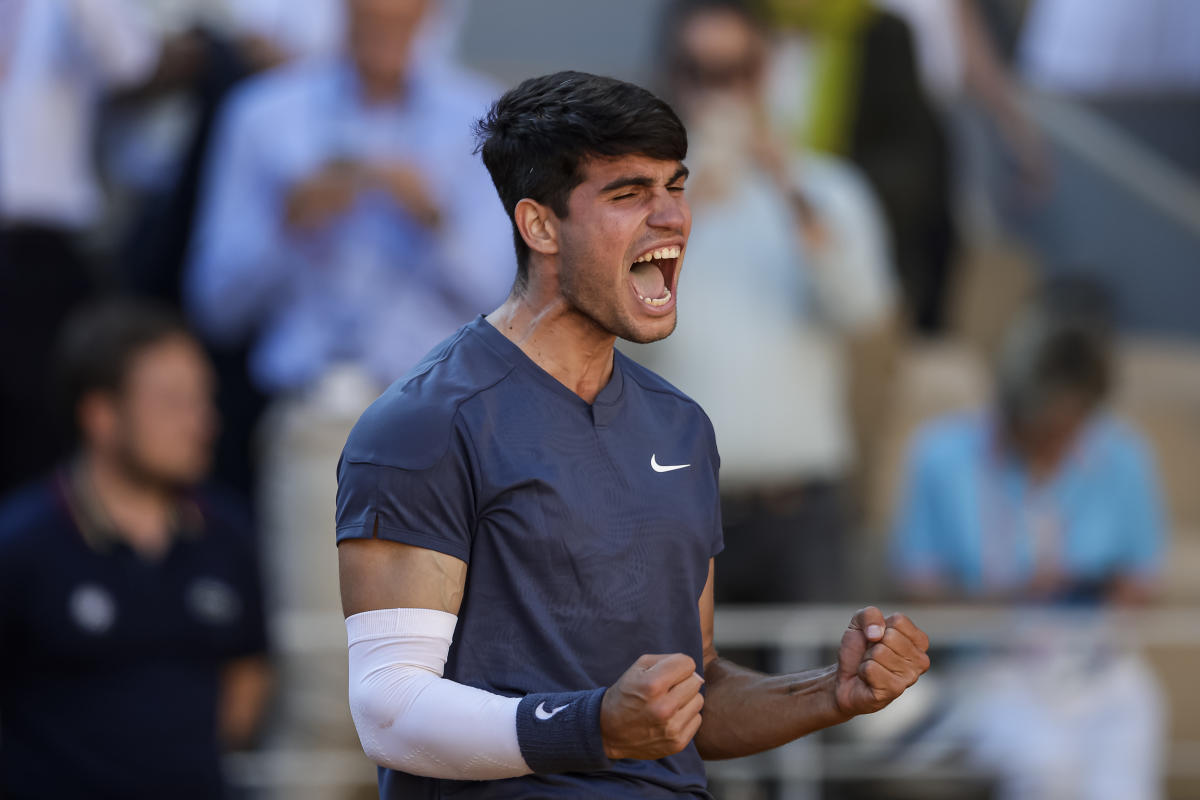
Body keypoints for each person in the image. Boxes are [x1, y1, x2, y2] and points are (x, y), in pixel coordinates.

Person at [334, 70, 930, 798]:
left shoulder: (681, 426)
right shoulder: (422, 424)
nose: (672, 217)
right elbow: (389, 710)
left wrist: (828, 694)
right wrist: (593, 726)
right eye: (628, 194)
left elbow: (691, 695)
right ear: (540, 226)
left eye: (675, 187)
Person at [186, 0, 514, 764]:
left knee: (459, 683)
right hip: (319, 422)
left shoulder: (482, 117)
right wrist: (287, 224)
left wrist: (434, 217)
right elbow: (214, 301)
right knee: (322, 694)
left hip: (452, 424)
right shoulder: (264, 115)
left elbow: (515, 300)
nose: (385, 15)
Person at [627, 0, 895, 603]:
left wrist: (787, 188)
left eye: (737, 71)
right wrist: (680, 216)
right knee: (677, 695)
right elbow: (618, 334)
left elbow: (863, 311)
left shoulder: (827, 188)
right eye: (700, 71)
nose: (719, 91)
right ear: (672, 75)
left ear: (767, 72)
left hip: (799, 508)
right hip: (673, 505)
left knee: (816, 693)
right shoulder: (639, 206)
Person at [891, 283, 1167, 799]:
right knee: (1045, 769)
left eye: (1070, 424)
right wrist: (1012, 596)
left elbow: (1141, 577)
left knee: (1124, 777)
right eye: (1039, 425)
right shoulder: (940, 455)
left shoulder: (1124, 455)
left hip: (1096, 663)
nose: (1053, 440)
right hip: (991, 666)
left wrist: (1093, 596)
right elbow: (918, 590)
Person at [0, 298, 271, 799]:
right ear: (101, 415)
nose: (203, 421)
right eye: (174, 401)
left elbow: (247, 675)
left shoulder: (228, 534)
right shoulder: (21, 546)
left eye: (204, 399)